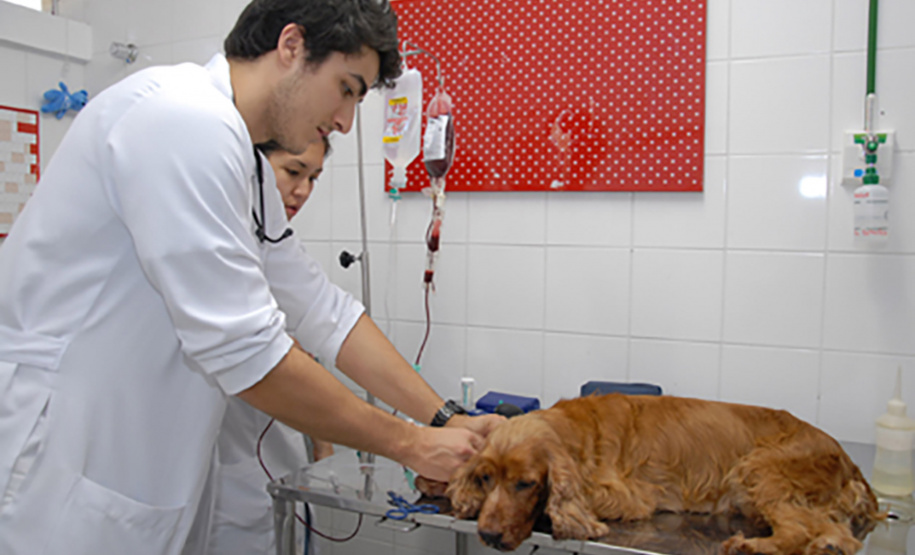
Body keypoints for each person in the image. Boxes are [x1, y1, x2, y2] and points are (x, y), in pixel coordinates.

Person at [0, 2, 502, 554]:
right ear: (292, 46)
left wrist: (443, 416)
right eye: (346, 88)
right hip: (63, 461)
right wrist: (409, 443)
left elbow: (320, 310)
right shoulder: (181, 119)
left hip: (139, 469)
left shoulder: (244, 161)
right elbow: (247, 351)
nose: (344, 121)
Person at [198, 138, 335, 555]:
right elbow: (270, 359)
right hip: (226, 471)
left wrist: (322, 443)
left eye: (314, 178)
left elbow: (326, 323)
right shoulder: (210, 250)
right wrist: (403, 440)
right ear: (249, 169)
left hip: (284, 458)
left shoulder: (275, 247)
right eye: (293, 172)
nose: (304, 190)